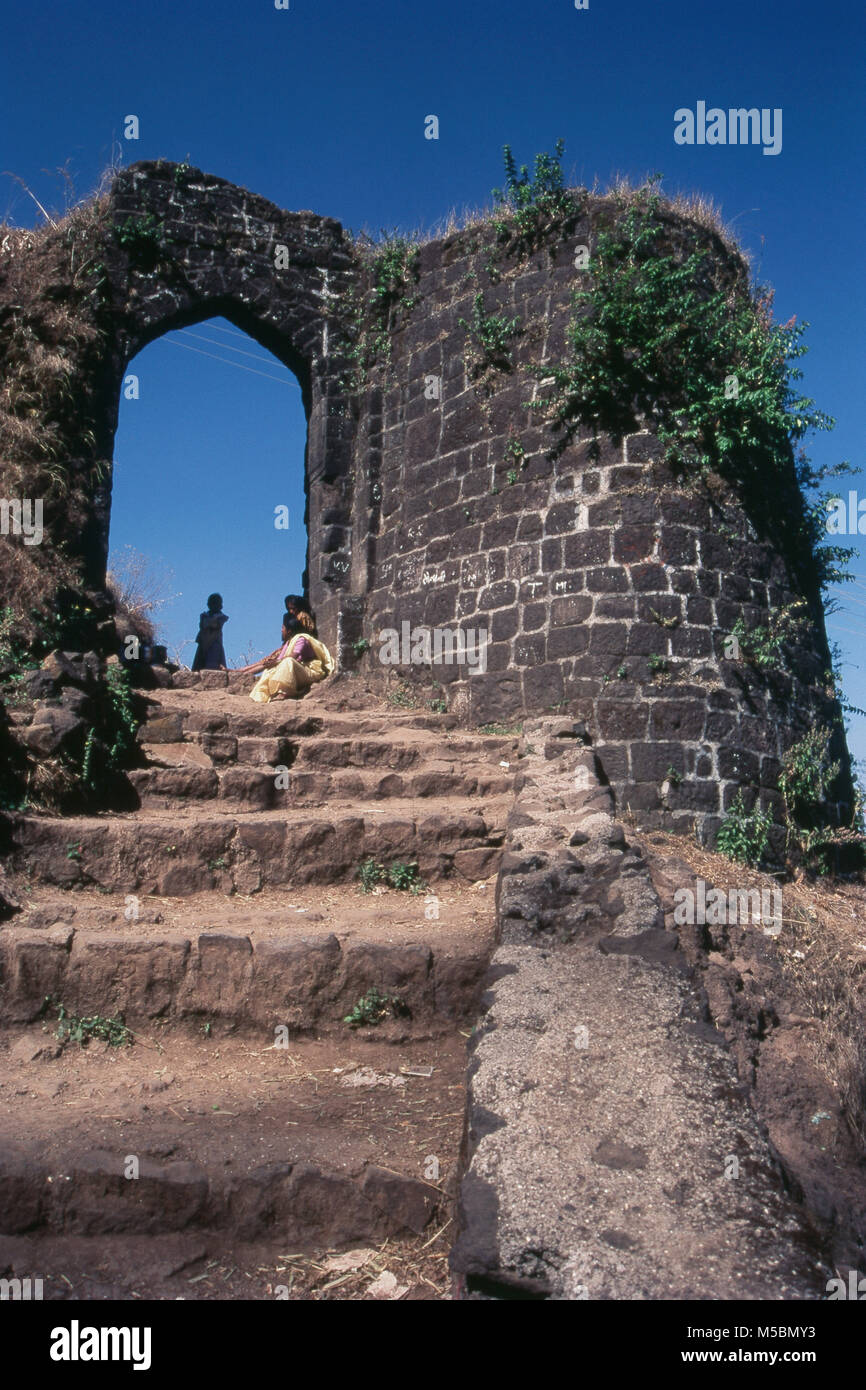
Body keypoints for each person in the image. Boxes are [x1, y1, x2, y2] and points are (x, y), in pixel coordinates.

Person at [236, 600, 334, 703]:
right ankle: (262, 697)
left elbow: (293, 656)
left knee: (288, 661)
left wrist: (277, 662)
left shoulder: (301, 639)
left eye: (283, 628)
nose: (281, 631)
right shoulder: (287, 644)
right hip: (295, 671)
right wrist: (239, 672)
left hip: (310, 672)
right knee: (270, 670)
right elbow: (274, 661)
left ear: (289, 631)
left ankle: (284, 692)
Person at [192, 594, 228, 671]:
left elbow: (216, 625)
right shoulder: (204, 616)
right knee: (200, 665)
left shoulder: (220, 617)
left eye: (216, 603)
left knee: (213, 666)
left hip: (214, 643)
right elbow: (203, 625)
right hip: (203, 644)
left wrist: (210, 622)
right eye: (212, 603)